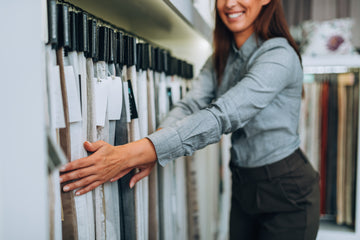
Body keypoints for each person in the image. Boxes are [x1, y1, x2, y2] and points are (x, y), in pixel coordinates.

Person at [60, 0, 320, 239]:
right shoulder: (222, 57)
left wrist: (131, 154)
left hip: (287, 191)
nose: (230, 3)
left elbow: (222, 116)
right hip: (244, 186)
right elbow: (191, 104)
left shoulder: (279, 55)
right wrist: (151, 149)